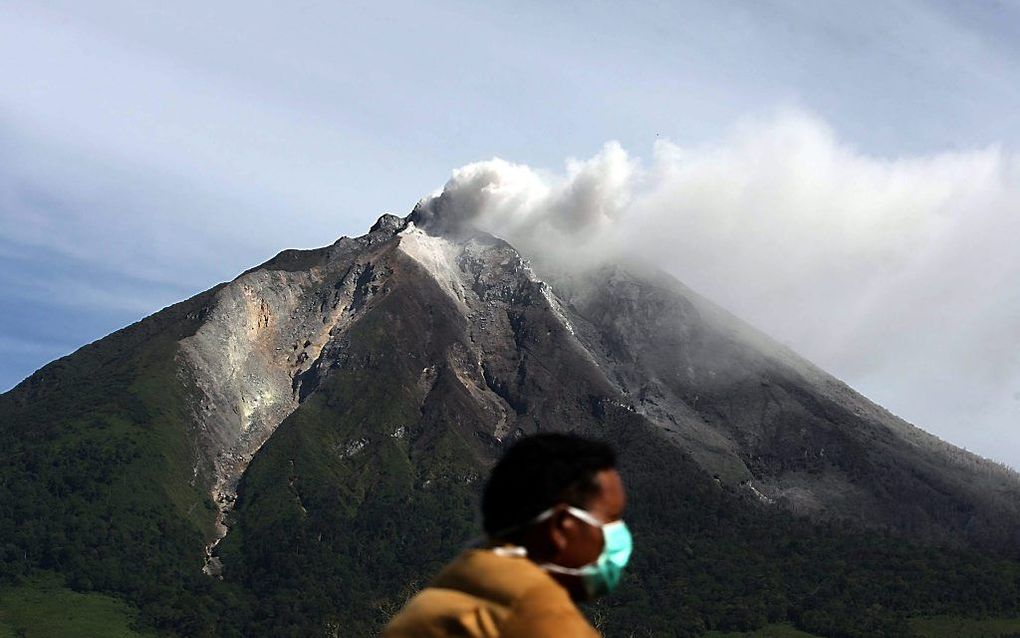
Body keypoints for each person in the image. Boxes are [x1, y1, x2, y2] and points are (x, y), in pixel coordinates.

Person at [383, 433, 631, 637]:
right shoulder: (542, 620)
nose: (620, 535)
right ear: (561, 527)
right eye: (610, 519)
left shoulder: (430, 605)